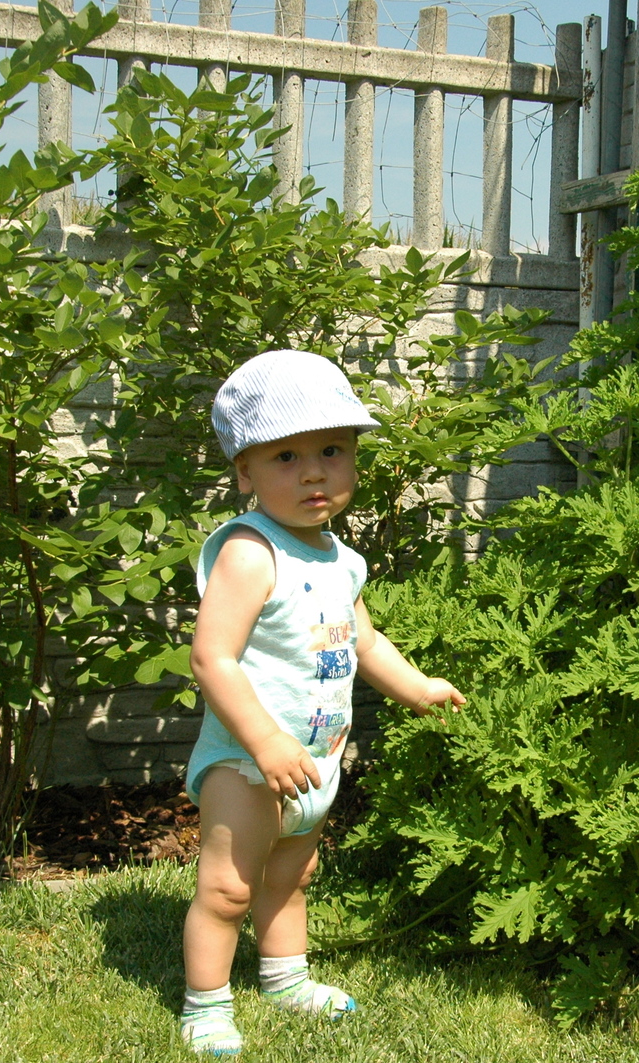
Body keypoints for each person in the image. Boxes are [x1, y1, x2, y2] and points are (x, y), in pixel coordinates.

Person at [179, 349, 466, 1056]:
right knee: (228, 887)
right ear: (244, 471)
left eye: (331, 450)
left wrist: (417, 686)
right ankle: (204, 1005)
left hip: (314, 758)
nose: (313, 472)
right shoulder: (251, 552)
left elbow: (364, 640)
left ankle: (285, 979)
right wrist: (264, 741)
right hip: (249, 761)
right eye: (285, 456)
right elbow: (211, 657)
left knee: (291, 874)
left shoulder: (341, 558)